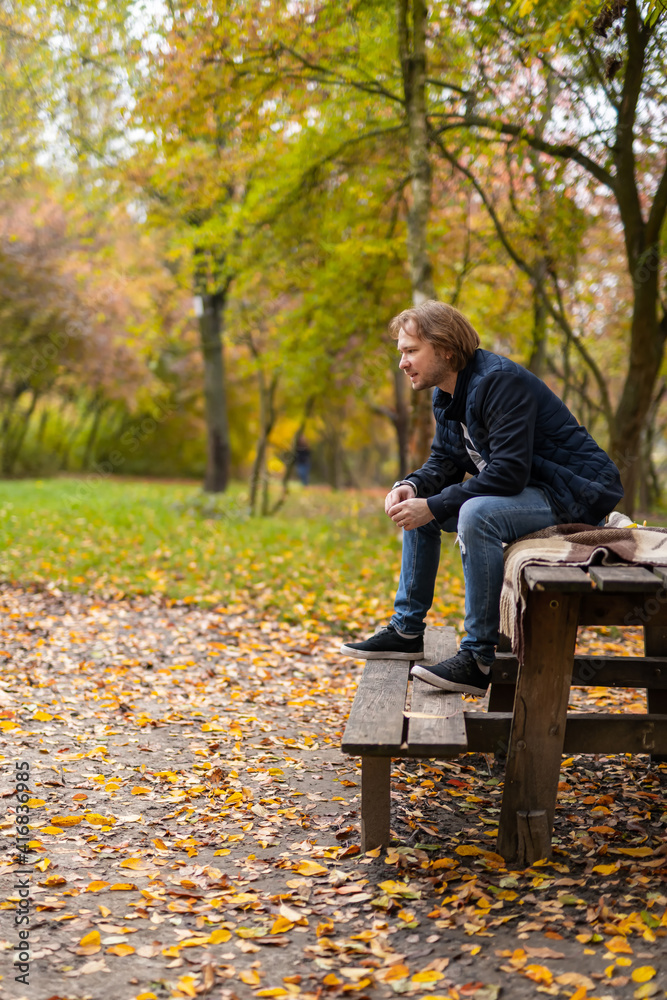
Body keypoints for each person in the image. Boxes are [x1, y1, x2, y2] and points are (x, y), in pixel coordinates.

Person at [340, 301, 623, 696]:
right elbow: (445, 461)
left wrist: (435, 505)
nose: (402, 362)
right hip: (532, 490)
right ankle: (406, 631)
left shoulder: (499, 382)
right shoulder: (447, 394)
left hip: (575, 492)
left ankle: (478, 657)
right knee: (421, 508)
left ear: (445, 349)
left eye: (410, 350)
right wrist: (414, 487)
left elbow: (507, 472)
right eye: (400, 352)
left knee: (474, 513)